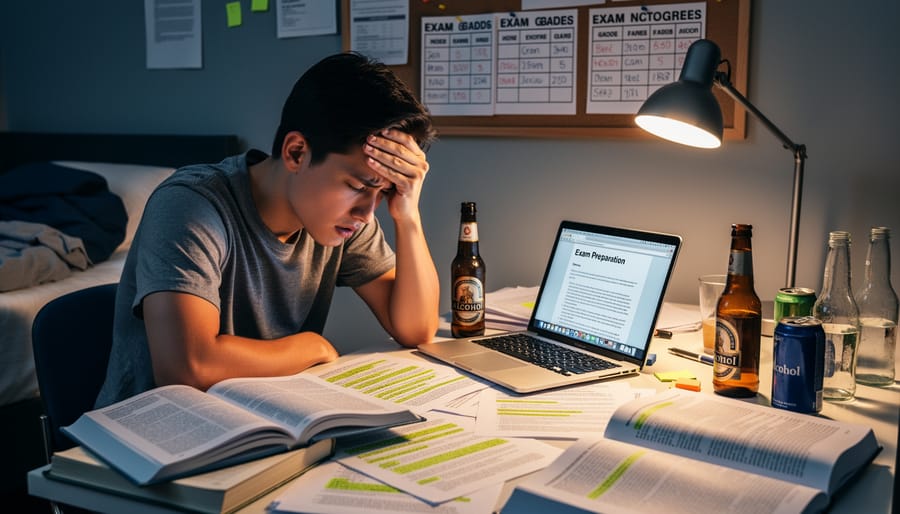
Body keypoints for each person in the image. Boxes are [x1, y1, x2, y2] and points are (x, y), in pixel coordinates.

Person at [95, 52, 439, 408]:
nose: (368, 213)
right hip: (151, 434)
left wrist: (408, 215)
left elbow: (415, 328)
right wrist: (309, 346)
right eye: (358, 185)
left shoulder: (344, 219)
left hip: (258, 417)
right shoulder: (190, 205)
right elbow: (186, 367)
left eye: (384, 190)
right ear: (296, 152)